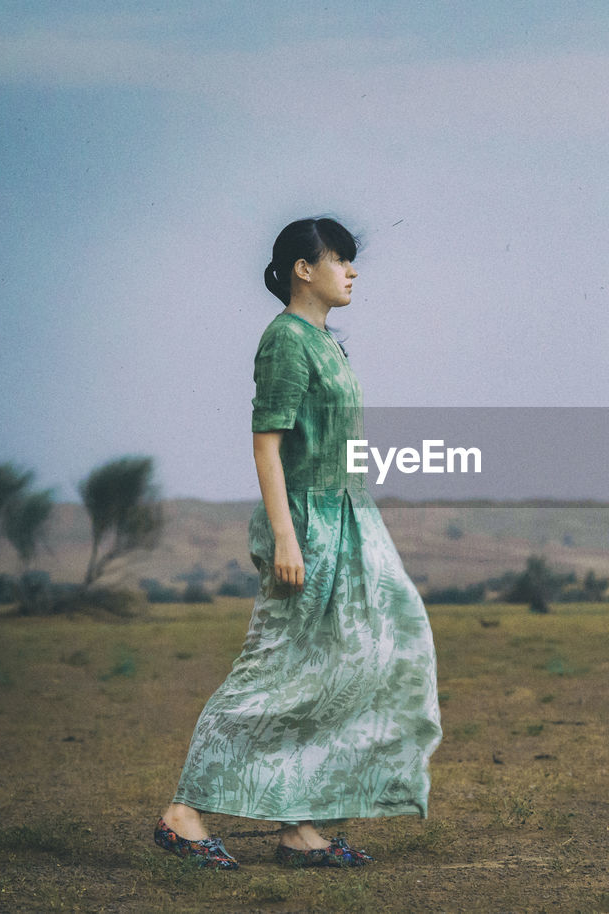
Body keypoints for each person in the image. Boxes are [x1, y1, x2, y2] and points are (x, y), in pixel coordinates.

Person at [154, 217, 442, 869]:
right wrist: (287, 536)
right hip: (308, 523)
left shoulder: (326, 342)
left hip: (349, 516)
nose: (352, 270)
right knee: (277, 666)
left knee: (370, 656)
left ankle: (300, 826)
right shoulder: (285, 340)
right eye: (339, 258)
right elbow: (267, 441)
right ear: (302, 269)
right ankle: (183, 814)